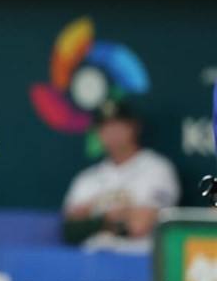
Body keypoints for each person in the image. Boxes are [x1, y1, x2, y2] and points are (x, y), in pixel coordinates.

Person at [62, 100, 180, 253]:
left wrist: (93, 216)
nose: (112, 132)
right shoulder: (86, 179)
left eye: (118, 125)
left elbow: (140, 225)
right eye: (105, 126)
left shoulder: (157, 169)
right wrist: (113, 217)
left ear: (134, 127)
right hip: (91, 266)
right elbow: (70, 231)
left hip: (140, 262)